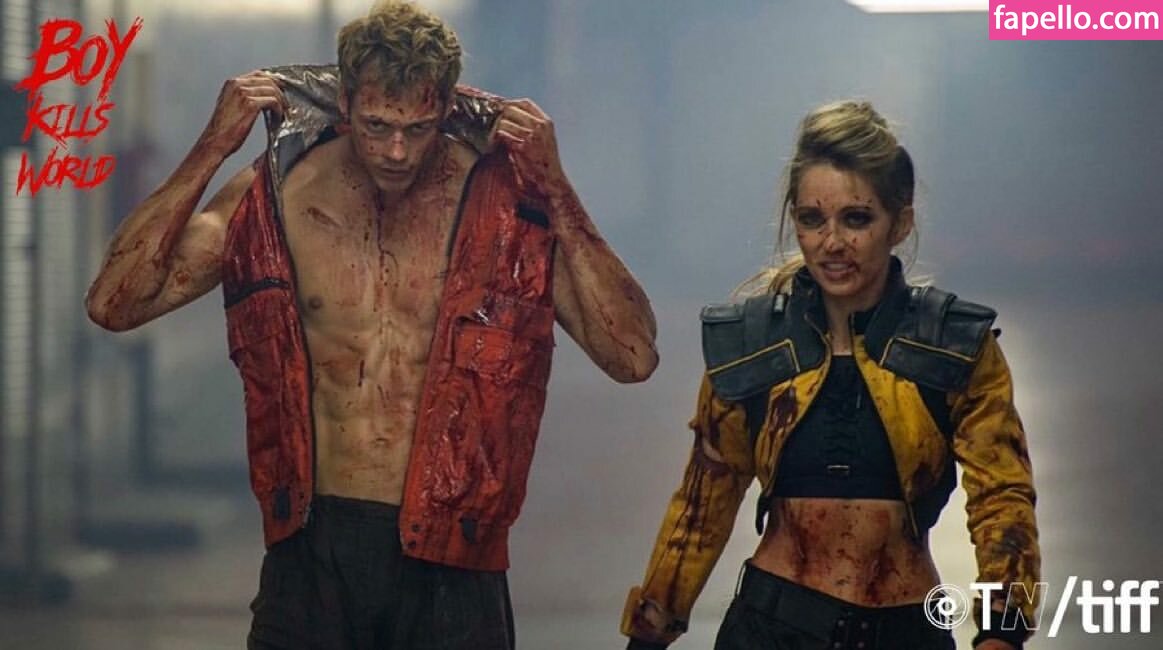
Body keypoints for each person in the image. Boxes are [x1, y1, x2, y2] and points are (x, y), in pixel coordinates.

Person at [85, 2, 658, 648]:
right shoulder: (277, 196)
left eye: (417, 128)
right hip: (312, 552)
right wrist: (211, 147)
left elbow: (632, 355)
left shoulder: (505, 207)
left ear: (446, 108)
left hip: (454, 560)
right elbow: (114, 303)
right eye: (377, 125)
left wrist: (557, 189)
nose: (395, 151)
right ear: (346, 103)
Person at [621, 100, 1039, 650]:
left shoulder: (954, 348)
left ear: (900, 222)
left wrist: (1003, 632)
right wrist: (648, 634)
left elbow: (1003, 495)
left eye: (856, 219)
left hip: (905, 632)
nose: (832, 242)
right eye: (812, 219)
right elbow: (702, 506)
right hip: (771, 631)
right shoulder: (752, 346)